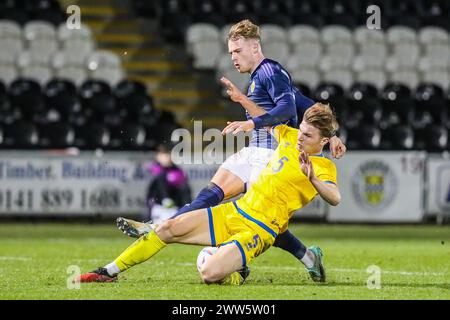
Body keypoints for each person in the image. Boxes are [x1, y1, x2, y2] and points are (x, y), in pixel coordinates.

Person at [116, 19, 346, 281]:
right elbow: (306, 104)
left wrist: (251, 121)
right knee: (212, 193)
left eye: (238, 51)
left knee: (264, 219)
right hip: (254, 149)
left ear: (255, 47)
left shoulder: (270, 72)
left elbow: (287, 110)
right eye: (230, 53)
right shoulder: (261, 76)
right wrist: (333, 134)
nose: (234, 58)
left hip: (273, 154)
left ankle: (249, 262)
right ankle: (159, 228)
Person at [77, 103, 341, 285]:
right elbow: (265, 117)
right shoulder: (289, 135)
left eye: (307, 135)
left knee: (209, 273)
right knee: (168, 228)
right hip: (234, 211)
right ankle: (109, 271)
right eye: (301, 130)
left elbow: (334, 197)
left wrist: (313, 178)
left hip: (260, 231)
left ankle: (235, 267)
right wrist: (244, 110)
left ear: (324, 141)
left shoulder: (324, 166)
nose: (300, 138)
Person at [143, 144, 191, 225]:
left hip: (174, 207)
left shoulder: (177, 171)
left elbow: (184, 191)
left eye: (169, 154)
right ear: (158, 156)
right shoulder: (154, 169)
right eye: (164, 155)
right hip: (157, 206)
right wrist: (164, 198)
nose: (167, 157)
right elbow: (155, 188)